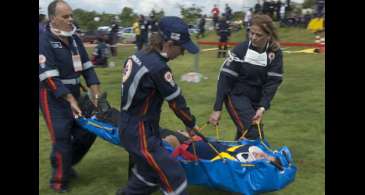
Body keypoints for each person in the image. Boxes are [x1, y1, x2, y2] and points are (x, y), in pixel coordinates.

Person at [116, 16, 200, 195]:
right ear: (169, 44)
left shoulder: (139, 55)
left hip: (129, 125)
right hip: (141, 133)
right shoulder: (158, 67)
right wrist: (191, 125)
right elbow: (176, 102)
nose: (183, 53)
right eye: (182, 48)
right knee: (176, 178)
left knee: (148, 175)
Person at [39, 0, 102, 192]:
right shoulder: (44, 40)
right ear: (53, 19)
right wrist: (69, 99)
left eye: (71, 15)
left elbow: (88, 67)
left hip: (75, 93)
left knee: (90, 130)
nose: (70, 20)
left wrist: (95, 91)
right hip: (53, 97)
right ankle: (59, 182)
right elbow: (47, 77)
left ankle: (64, 163)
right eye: (65, 16)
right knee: (62, 137)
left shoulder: (74, 39)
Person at [208, 14, 283, 140]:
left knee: (243, 136)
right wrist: (217, 108)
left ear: (268, 36)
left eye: (258, 35)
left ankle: (236, 158)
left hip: (256, 99)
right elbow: (224, 79)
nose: (253, 38)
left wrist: (262, 107)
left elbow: (273, 82)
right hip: (236, 95)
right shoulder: (240, 50)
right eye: (251, 33)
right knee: (253, 133)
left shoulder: (275, 54)